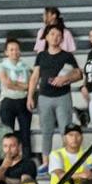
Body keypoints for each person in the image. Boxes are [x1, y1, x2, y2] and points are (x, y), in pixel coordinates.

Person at [33, 25, 80, 158]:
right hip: (44, 97)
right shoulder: (41, 55)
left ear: (62, 38)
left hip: (62, 96)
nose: (55, 37)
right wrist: (30, 96)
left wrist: (65, 78)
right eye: (52, 34)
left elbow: (78, 74)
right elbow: (35, 77)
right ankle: (46, 162)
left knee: (65, 131)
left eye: (58, 35)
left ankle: (68, 160)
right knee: (46, 132)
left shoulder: (67, 55)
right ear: (46, 37)